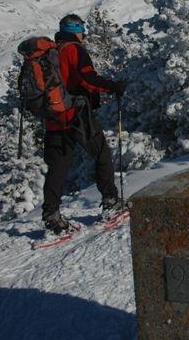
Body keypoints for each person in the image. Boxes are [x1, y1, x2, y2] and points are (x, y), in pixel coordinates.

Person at [41, 14, 127, 234]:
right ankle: (110, 203)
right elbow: (87, 78)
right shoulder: (74, 50)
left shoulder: (49, 53)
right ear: (76, 30)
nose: (84, 34)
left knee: (58, 167)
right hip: (77, 115)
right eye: (82, 30)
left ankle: (52, 216)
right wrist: (113, 86)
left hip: (53, 117)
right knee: (101, 154)